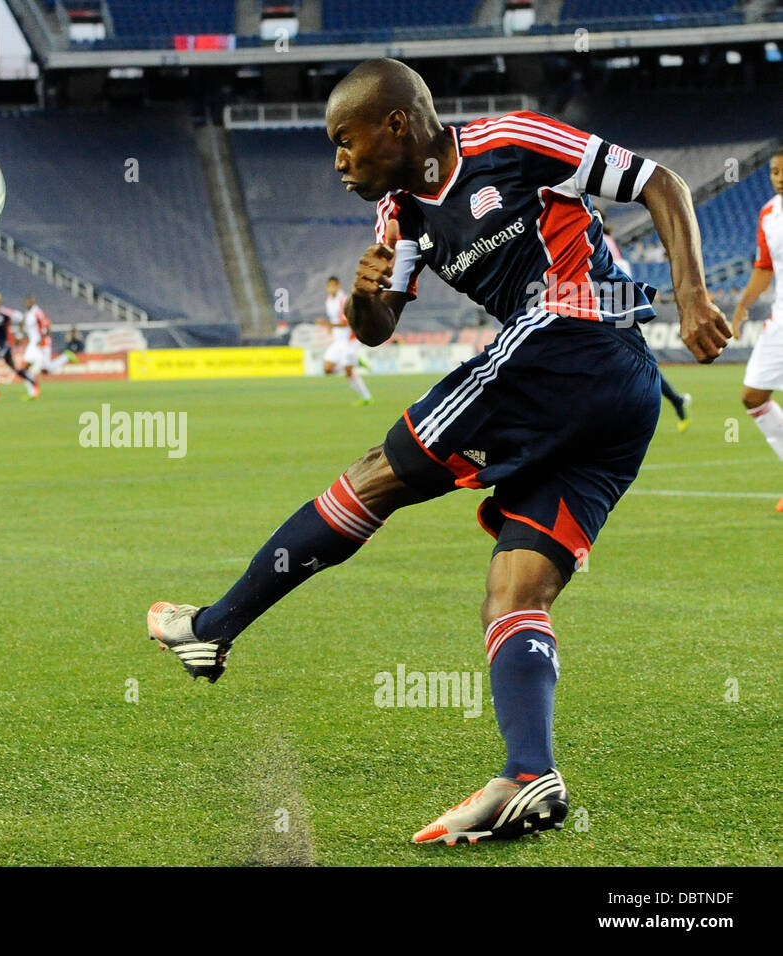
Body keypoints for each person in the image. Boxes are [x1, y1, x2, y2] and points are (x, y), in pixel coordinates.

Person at [146, 59, 728, 846]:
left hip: (574, 339)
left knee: (374, 478)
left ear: (396, 125)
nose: (337, 162)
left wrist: (691, 293)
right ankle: (529, 773)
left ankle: (213, 625)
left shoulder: (509, 140)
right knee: (515, 591)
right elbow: (377, 325)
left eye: (345, 142)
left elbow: (661, 180)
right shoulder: (399, 216)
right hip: (612, 399)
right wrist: (363, 294)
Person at [598, 210, 690, 431]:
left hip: (614, 304)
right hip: (612, 303)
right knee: (629, 359)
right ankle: (673, 399)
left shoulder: (600, 240)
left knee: (628, 359)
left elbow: (614, 275)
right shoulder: (602, 240)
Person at [732, 149, 783, 510]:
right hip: (780, 322)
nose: (778, 176)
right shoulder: (769, 213)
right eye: (774, 172)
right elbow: (764, 266)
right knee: (752, 396)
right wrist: (741, 306)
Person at [316, 275, 373, 404]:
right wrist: (331, 328)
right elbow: (334, 319)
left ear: (338, 286)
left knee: (348, 372)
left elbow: (345, 322)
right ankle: (357, 362)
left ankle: (367, 398)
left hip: (350, 340)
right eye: (329, 286)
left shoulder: (344, 300)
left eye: (333, 285)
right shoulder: (328, 300)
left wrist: (326, 324)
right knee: (327, 369)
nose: (331, 288)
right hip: (338, 340)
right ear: (327, 287)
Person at [0, 291, 36, 403]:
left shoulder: (6, 313)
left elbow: (21, 319)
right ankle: (32, 381)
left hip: (6, 344)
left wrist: (19, 335)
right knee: (14, 368)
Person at [21, 295, 76, 395]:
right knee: (26, 368)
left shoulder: (37, 312)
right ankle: (33, 392)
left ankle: (66, 357)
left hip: (43, 343)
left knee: (44, 370)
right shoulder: (28, 313)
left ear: (33, 302)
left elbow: (47, 325)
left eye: (30, 301)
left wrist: (41, 338)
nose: (28, 303)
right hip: (33, 344)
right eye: (27, 301)